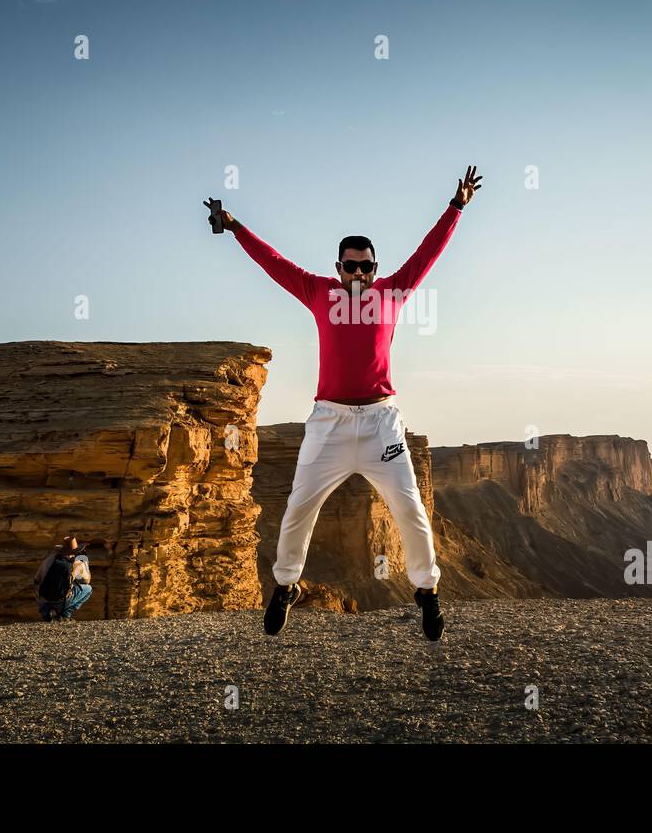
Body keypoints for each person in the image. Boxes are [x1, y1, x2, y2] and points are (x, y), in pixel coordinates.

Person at [207, 166, 482, 641]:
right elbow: (273, 261)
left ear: (375, 268)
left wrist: (456, 206)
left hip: (381, 424)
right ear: (338, 268)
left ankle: (427, 593)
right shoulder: (318, 290)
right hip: (329, 423)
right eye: (351, 266)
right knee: (298, 507)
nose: (359, 273)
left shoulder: (393, 293)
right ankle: (286, 586)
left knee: (410, 508)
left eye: (366, 266)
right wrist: (234, 227)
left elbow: (428, 254)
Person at [34, 536, 93, 622]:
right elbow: (86, 580)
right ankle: (65, 614)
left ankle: (49, 611)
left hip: (43, 601)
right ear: (75, 552)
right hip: (61, 601)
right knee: (88, 589)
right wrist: (84, 562)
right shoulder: (76, 563)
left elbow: (36, 579)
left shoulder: (49, 559)